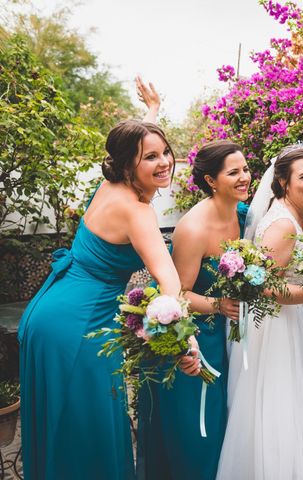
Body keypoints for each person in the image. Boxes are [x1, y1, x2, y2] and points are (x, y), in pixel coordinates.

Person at [18, 118, 200, 480]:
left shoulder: (109, 184)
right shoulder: (138, 211)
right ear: (127, 164)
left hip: (48, 313)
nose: (164, 162)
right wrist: (185, 341)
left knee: (65, 427)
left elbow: (129, 144)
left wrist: (151, 110)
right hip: (78, 327)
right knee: (91, 430)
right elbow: (169, 282)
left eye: (165, 152)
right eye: (150, 157)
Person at [216, 145, 303, 480]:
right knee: (284, 409)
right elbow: (266, 287)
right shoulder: (282, 224)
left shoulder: (301, 213)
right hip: (275, 331)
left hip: (291, 323)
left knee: (300, 406)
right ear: (283, 182)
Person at [136, 140, 249, 479]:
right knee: (199, 428)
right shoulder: (193, 228)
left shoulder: (243, 215)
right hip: (196, 336)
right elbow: (178, 293)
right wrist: (218, 305)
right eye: (234, 172)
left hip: (232, 336)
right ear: (211, 181)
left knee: (227, 424)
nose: (244, 177)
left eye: (245, 169)